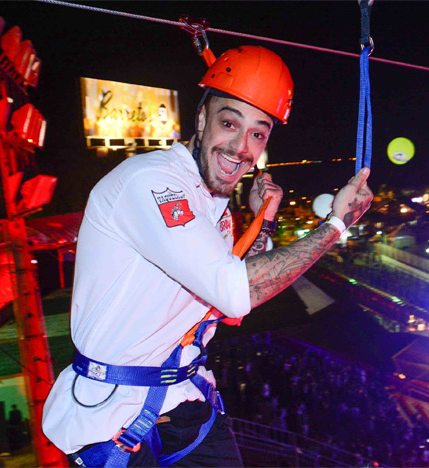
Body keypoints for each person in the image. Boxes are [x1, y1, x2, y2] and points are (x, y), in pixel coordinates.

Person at [42, 45, 373, 467]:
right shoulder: (151, 183)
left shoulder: (210, 202)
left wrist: (264, 220)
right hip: (111, 419)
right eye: (229, 123)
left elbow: (226, 304)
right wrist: (335, 225)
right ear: (200, 119)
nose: (240, 146)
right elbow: (235, 292)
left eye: (258, 132)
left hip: (184, 402)